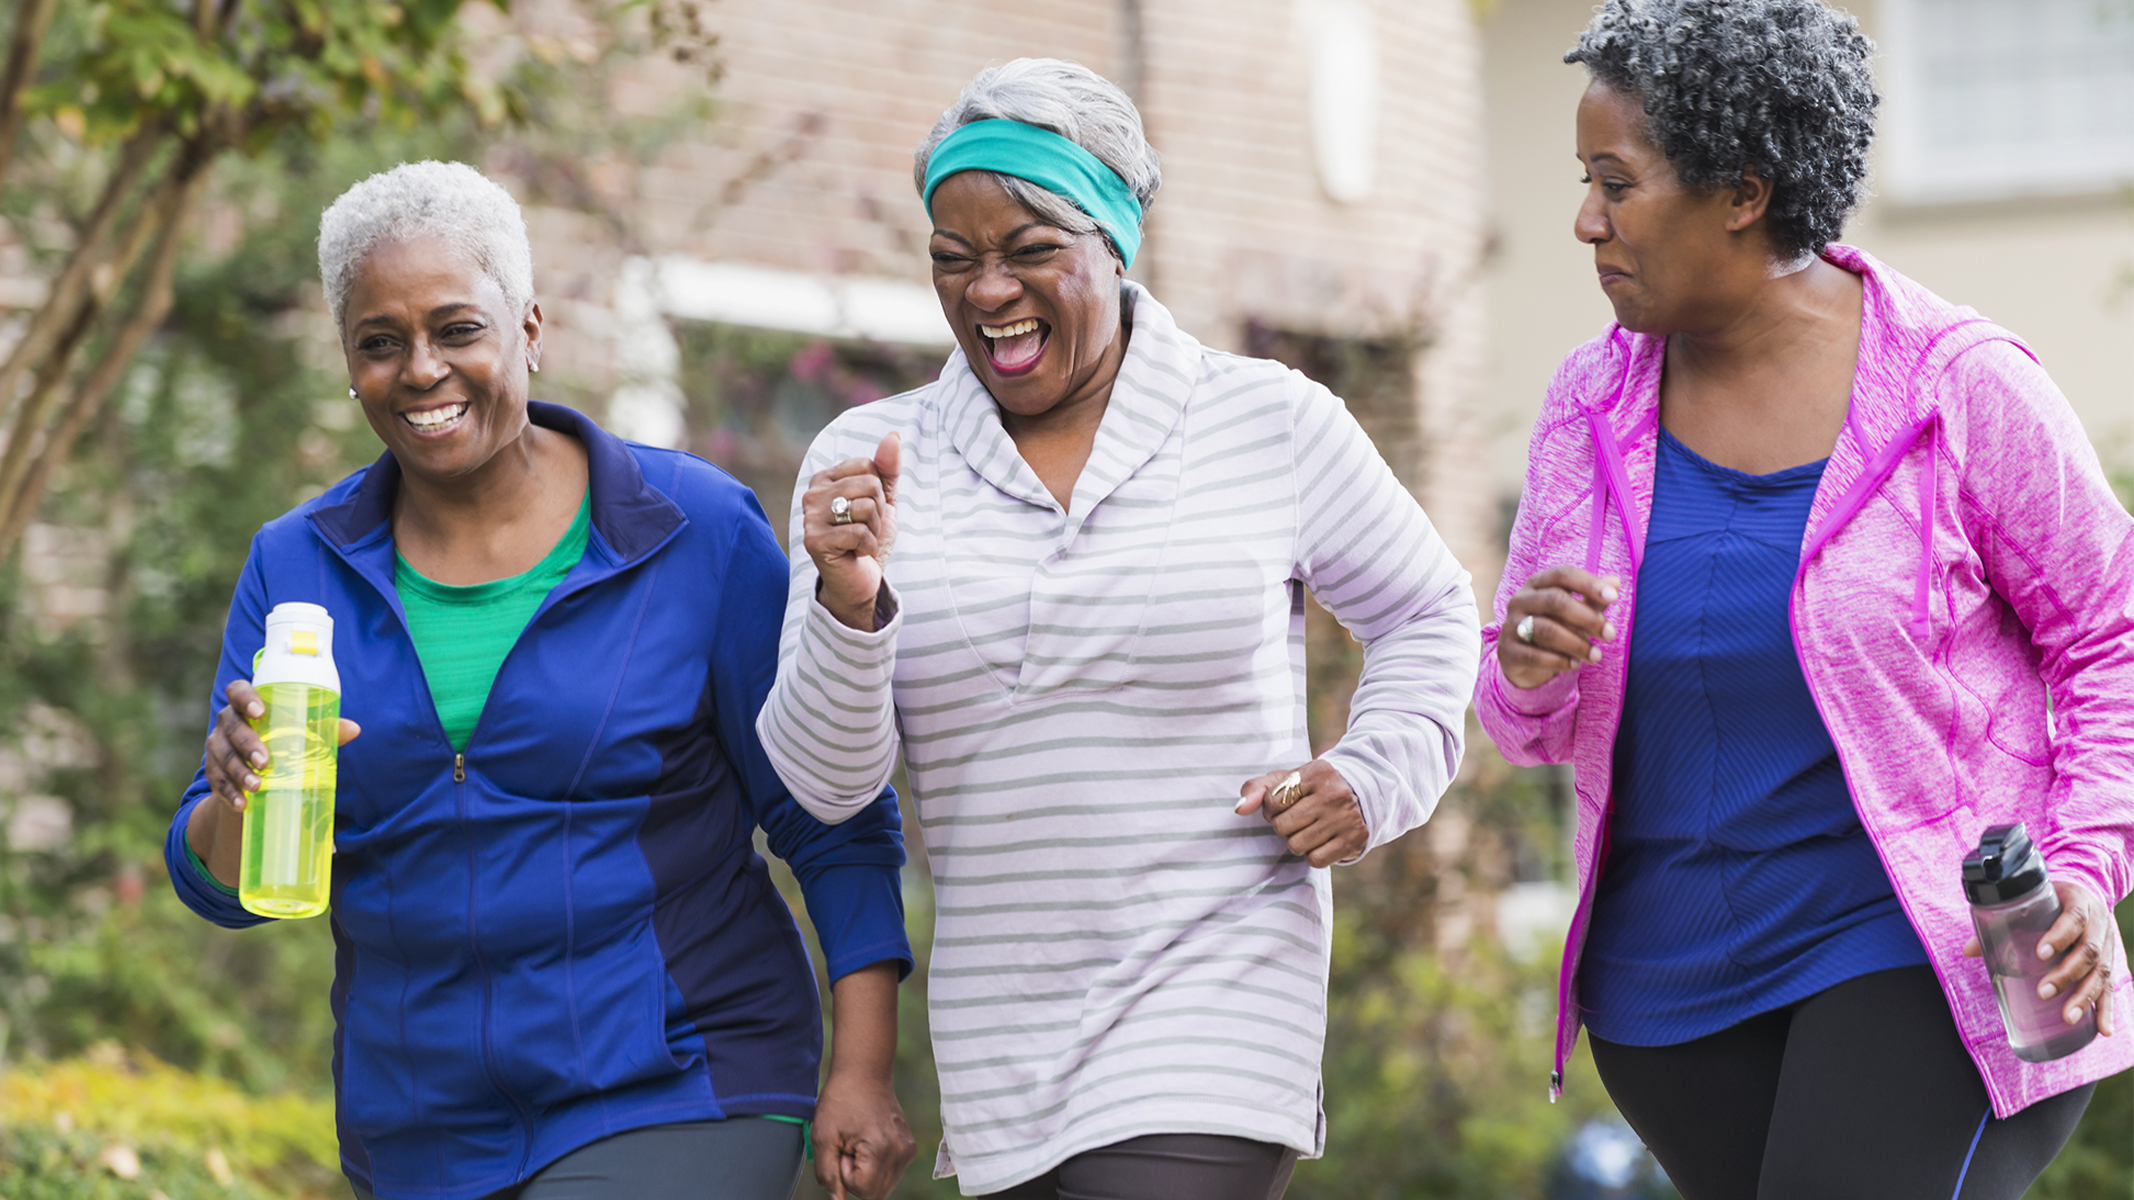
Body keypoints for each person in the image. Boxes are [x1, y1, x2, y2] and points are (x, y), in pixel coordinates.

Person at [753, 58, 1480, 1200]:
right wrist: (849, 602)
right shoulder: (874, 459)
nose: (986, 292)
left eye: (1030, 252)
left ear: (1115, 242)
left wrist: (1373, 770)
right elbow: (830, 788)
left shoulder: (1266, 420)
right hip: (1008, 1035)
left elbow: (1430, 612)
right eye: (954, 259)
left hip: (1220, 993)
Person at [1475, 2, 2134, 1197]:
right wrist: (1523, 665)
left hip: (1931, 954)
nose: (1583, 221)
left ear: (1742, 191)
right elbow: (1530, 726)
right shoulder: (1589, 408)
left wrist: (2085, 866)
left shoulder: (1958, 389)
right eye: (1584, 181)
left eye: (1616, 184)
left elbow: (2113, 635)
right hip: (1667, 1001)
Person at [164, 161, 917, 1200]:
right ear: (349, 363)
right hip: (420, 1129)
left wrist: (863, 1069)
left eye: (456, 329)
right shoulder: (297, 569)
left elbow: (828, 811)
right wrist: (231, 803)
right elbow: (226, 888)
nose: (421, 369)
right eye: (380, 344)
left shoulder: (689, 530)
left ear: (528, 328)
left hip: (683, 1081)